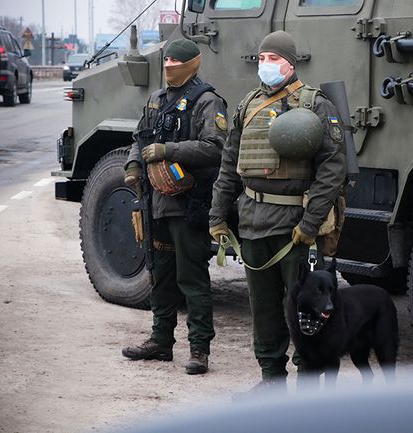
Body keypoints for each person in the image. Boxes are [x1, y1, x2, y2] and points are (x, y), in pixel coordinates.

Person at [208, 31, 346, 392]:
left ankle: (308, 390)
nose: (265, 65)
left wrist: (310, 224)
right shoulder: (248, 104)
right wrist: (217, 216)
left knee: (308, 311)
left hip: (295, 229)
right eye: (261, 58)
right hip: (253, 223)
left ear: (290, 63)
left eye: (273, 59)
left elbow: (332, 170)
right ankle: (271, 382)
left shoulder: (315, 105)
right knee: (264, 310)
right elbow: (229, 164)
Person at [122, 38, 228, 375]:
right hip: (157, 204)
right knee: (160, 275)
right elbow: (140, 138)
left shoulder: (207, 101)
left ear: (191, 64)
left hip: (190, 205)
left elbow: (216, 147)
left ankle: (199, 350)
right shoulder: (156, 100)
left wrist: (168, 150)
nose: (169, 67)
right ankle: (160, 341)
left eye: (175, 63)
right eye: (166, 62)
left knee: (192, 278)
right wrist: (133, 165)